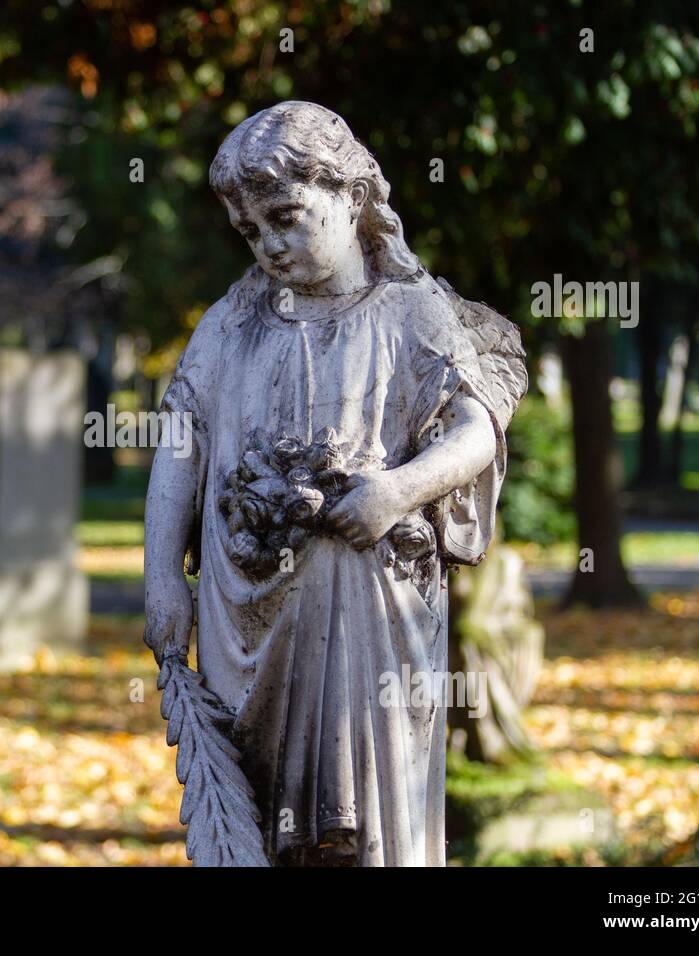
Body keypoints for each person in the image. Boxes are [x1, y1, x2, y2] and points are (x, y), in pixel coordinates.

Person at [142, 101, 524, 866]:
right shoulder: (230, 322)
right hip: (243, 613)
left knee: (365, 831)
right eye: (250, 232)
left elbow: (474, 431)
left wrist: (399, 490)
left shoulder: (411, 313)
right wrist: (160, 577)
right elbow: (180, 442)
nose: (270, 245)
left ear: (352, 197)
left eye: (285, 216)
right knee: (258, 804)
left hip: (369, 619)